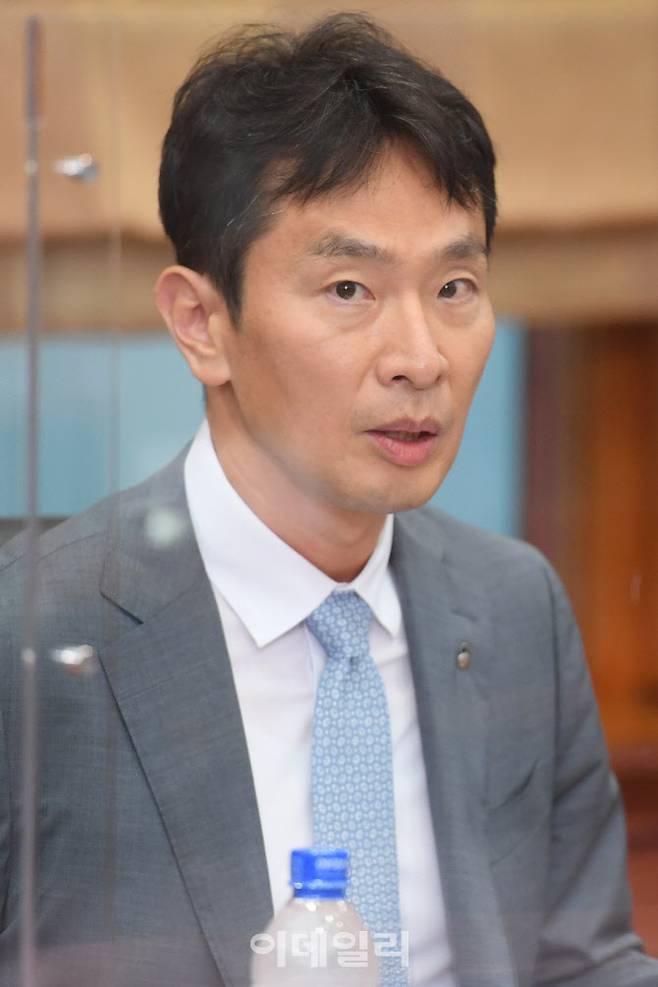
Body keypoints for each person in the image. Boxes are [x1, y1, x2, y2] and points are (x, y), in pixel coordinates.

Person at [0, 13, 656, 987]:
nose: (420, 358)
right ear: (201, 323)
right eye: (349, 290)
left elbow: (584, 964)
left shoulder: (513, 606)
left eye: (455, 287)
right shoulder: (36, 635)